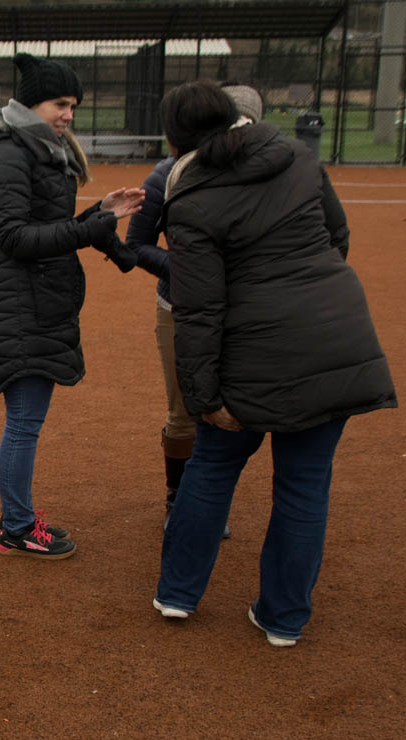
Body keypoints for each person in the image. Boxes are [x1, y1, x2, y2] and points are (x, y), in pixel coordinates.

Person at [150, 81, 397, 646]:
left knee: (212, 468)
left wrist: (204, 396)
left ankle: (178, 593)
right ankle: (283, 619)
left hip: (251, 353)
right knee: (305, 484)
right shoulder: (300, 160)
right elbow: (337, 236)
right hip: (335, 336)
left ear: (176, 138)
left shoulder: (190, 197)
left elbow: (200, 309)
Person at [0, 52, 144, 560]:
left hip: (40, 298)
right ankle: (16, 527)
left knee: (27, 420)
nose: (69, 114)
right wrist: (92, 226)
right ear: (31, 103)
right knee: (23, 421)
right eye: (60, 104)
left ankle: (18, 520)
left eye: (73, 106)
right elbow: (15, 236)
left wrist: (103, 217)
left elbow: (49, 224)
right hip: (21, 303)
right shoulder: (7, 152)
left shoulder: (40, 147)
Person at [127, 82, 264, 539]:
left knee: (238, 409)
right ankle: (177, 499)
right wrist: (190, 270)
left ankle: (210, 497)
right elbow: (137, 245)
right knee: (186, 410)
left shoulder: (267, 175)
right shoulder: (166, 175)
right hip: (180, 307)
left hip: (247, 311)